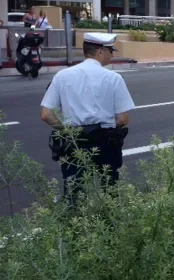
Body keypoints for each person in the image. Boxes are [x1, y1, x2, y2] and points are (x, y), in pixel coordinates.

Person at [40, 33, 135, 206]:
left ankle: (74, 228)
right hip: (106, 142)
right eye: (110, 51)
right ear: (100, 51)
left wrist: (67, 130)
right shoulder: (114, 78)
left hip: (74, 143)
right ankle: (109, 228)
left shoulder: (62, 76)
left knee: (73, 195)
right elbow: (123, 118)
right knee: (110, 192)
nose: (112, 54)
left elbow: (46, 114)